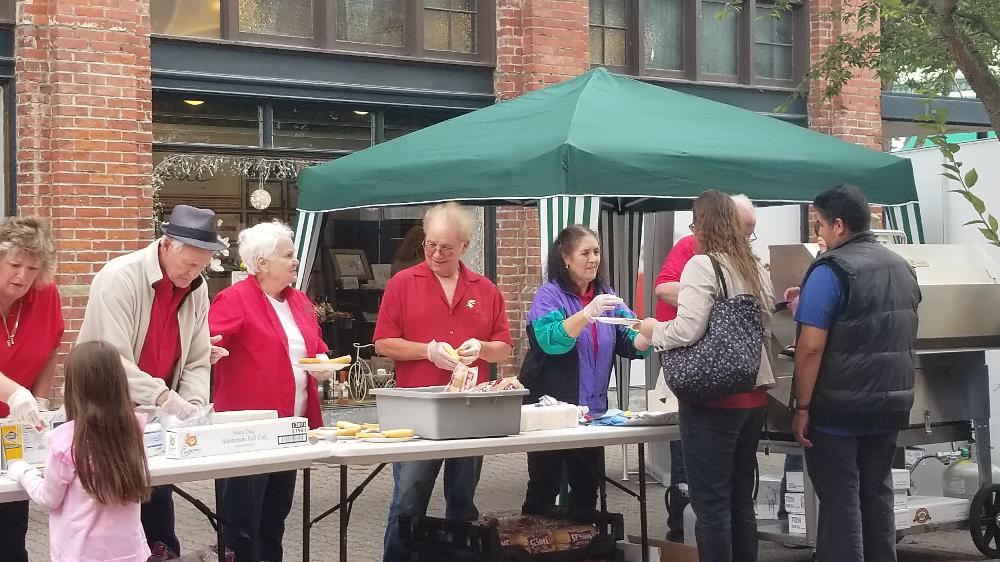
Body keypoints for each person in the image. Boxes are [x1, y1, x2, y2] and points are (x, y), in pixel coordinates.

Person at [77, 204, 228, 556]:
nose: (192, 274)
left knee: (159, 517)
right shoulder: (119, 278)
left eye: (201, 266)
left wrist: (191, 402)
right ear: (165, 244)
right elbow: (111, 359)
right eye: (188, 264)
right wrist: (163, 397)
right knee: (114, 522)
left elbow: (196, 356)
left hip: (156, 423)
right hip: (107, 414)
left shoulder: (197, 288)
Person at [636, 190, 774, 562]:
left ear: (703, 225)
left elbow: (686, 330)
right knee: (741, 500)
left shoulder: (702, 264)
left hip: (713, 399)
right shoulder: (754, 265)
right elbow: (767, 324)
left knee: (711, 504)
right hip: (753, 395)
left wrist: (652, 329)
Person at [374, 202, 513, 562]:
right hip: (417, 412)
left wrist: (481, 347)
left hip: (468, 410)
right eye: (430, 244)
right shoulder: (403, 283)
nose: (436, 253)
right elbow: (383, 342)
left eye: (446, 247)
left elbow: (503, 349)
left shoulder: (485, 289)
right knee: (408, 500)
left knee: (463, 501)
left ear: (465, 246)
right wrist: (427, 350)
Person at [791, 185, 920, 562]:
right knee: (877, 495)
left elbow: (811, 347)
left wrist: (802, 406)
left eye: (819, 226)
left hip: (838, 411)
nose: (818, 235)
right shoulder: (902, 266)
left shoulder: (831, 270)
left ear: (840, 225)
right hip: (890, 406)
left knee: (841, 503)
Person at [209, 220, 331, 561]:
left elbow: (314, 345)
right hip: (248, 433)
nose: (295, 262)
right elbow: (206, 342)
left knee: (274, 519)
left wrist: (321, 359)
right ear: (262, 263)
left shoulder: (299, 301)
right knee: (241, 524)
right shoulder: (234, 299)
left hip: (290, 427)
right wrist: (206, 350)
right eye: (288, 256)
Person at [520, 224, 650, 512]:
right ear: (566, 258)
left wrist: (650, 334)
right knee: (544, 486)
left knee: (587, 487)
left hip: (593, 414)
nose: (593, 259)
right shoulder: (549, 296)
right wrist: (586, 314)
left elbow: (629, 340)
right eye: (585, 253)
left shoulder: (605, 294)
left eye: (597, 252)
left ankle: (585, 547)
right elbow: (551, 341)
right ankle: (533, 550)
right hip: (549, 413)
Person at [5, 341, 151, 562]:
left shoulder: (65, 442)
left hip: (81, 553)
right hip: (131, 553)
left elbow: (48, 498)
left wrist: (23, 471)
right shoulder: (134, 430)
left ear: (74, 387)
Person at [0, 216, 64, 562]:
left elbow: (50, 348)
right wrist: (14, 392)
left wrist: (38, 398)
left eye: (32, 267)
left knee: (10, 531)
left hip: (14, 431)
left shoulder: (45, 295)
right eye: (14, 264)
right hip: (11, 406)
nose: (22, 276)